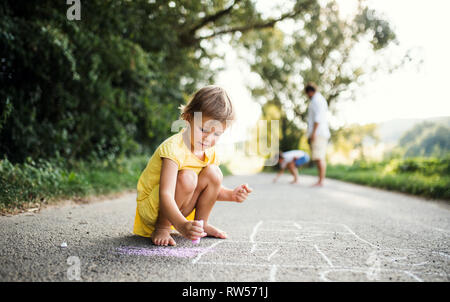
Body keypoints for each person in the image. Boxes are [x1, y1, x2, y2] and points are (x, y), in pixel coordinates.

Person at [133, 85, 253, 246]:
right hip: (154, 209)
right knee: (188, 176)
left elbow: (209, 188)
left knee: (214, 173)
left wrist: (232, 195)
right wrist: (180, 225)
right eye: (203, 129)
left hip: (179, 208)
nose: (208, 139)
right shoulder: (173, 149)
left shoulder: (210, 152)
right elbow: (166, 194)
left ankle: (201, 224)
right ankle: (162, 227)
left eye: (217, 134)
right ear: (188, 117)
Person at [305, 83, 330, 187]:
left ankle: (321, 181)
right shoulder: (317, 100)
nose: (307, 96)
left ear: (310, 92)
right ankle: (320, 180)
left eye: (307, 94)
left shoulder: (317, 100)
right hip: (318, 132)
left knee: (319, 157)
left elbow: (318, 118)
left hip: (319, 133)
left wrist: (314, 133)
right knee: (317, 157)